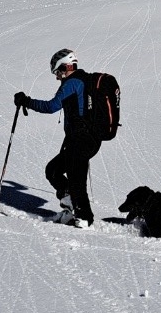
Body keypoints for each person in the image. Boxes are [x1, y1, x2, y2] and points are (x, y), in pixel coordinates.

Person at [15, 48, 101, 227]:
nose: (57, 77)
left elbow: (51, 106)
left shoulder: (72, 83)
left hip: (82, 140)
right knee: (53, 170)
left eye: (57, 72)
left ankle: (85, 218)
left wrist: (27, 101)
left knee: (77, 180)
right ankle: (70, 206)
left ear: (65, 67)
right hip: (84, 139)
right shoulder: (84, 79)